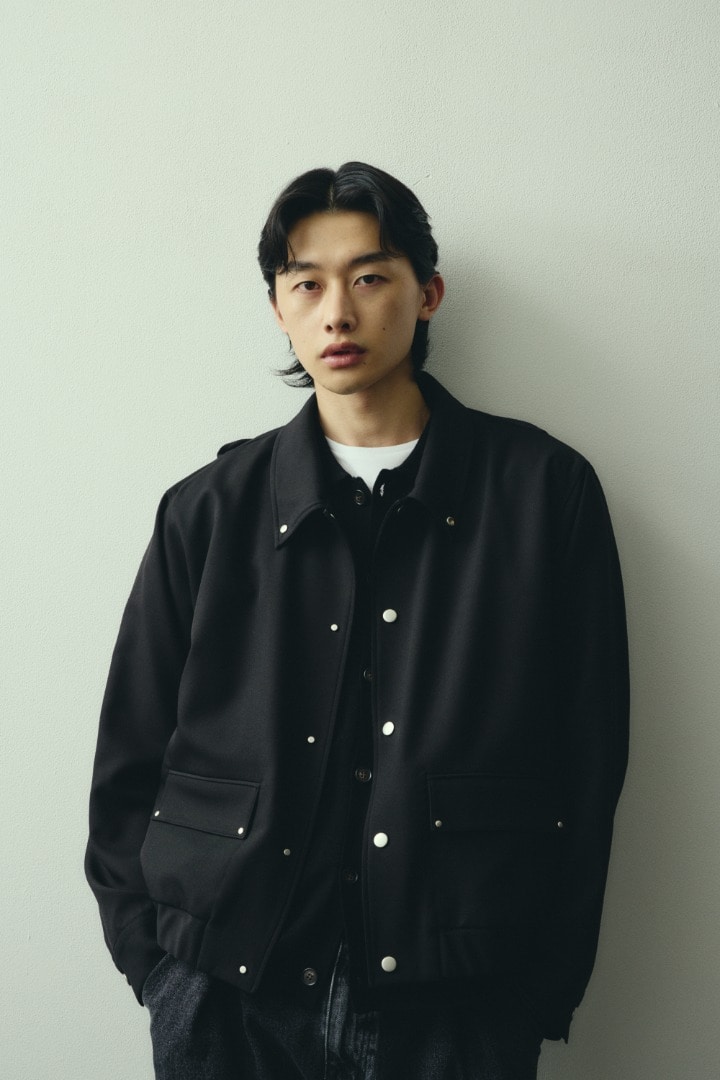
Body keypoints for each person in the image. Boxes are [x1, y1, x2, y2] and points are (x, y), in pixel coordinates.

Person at [85, 162, 629, 1079]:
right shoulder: (208, 510)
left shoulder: (545, 495)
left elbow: (591, 757)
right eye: (307, 284)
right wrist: (158, 969)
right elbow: (130, 755)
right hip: (229, 993)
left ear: (428, 294)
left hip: (461, 1000)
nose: (337, 313)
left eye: (370, 277)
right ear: (279, 307)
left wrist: (540, 989)